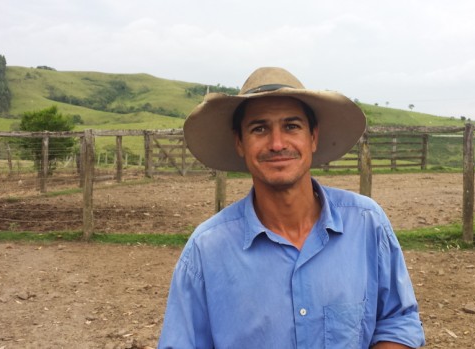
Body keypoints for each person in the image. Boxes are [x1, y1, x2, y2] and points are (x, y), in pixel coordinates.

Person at [158, 67, 425, 348]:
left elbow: (398, 321)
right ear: (240, 143)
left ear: (313, 137)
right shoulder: (206, 251)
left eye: (291, 126)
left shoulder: (367, 224)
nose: (277, 144)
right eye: (259, 128)